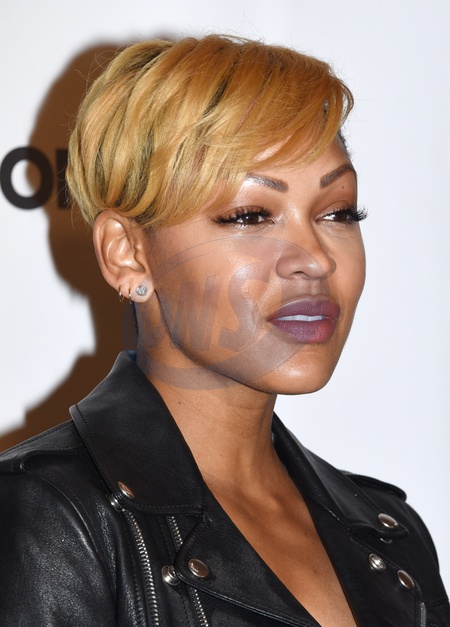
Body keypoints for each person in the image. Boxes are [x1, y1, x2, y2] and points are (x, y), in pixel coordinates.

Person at [0, 35, 448, 627]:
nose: (315, 259)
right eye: (250, 216)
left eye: (338, 212)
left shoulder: (390, 534)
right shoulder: (48, 515)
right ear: (128, 254)